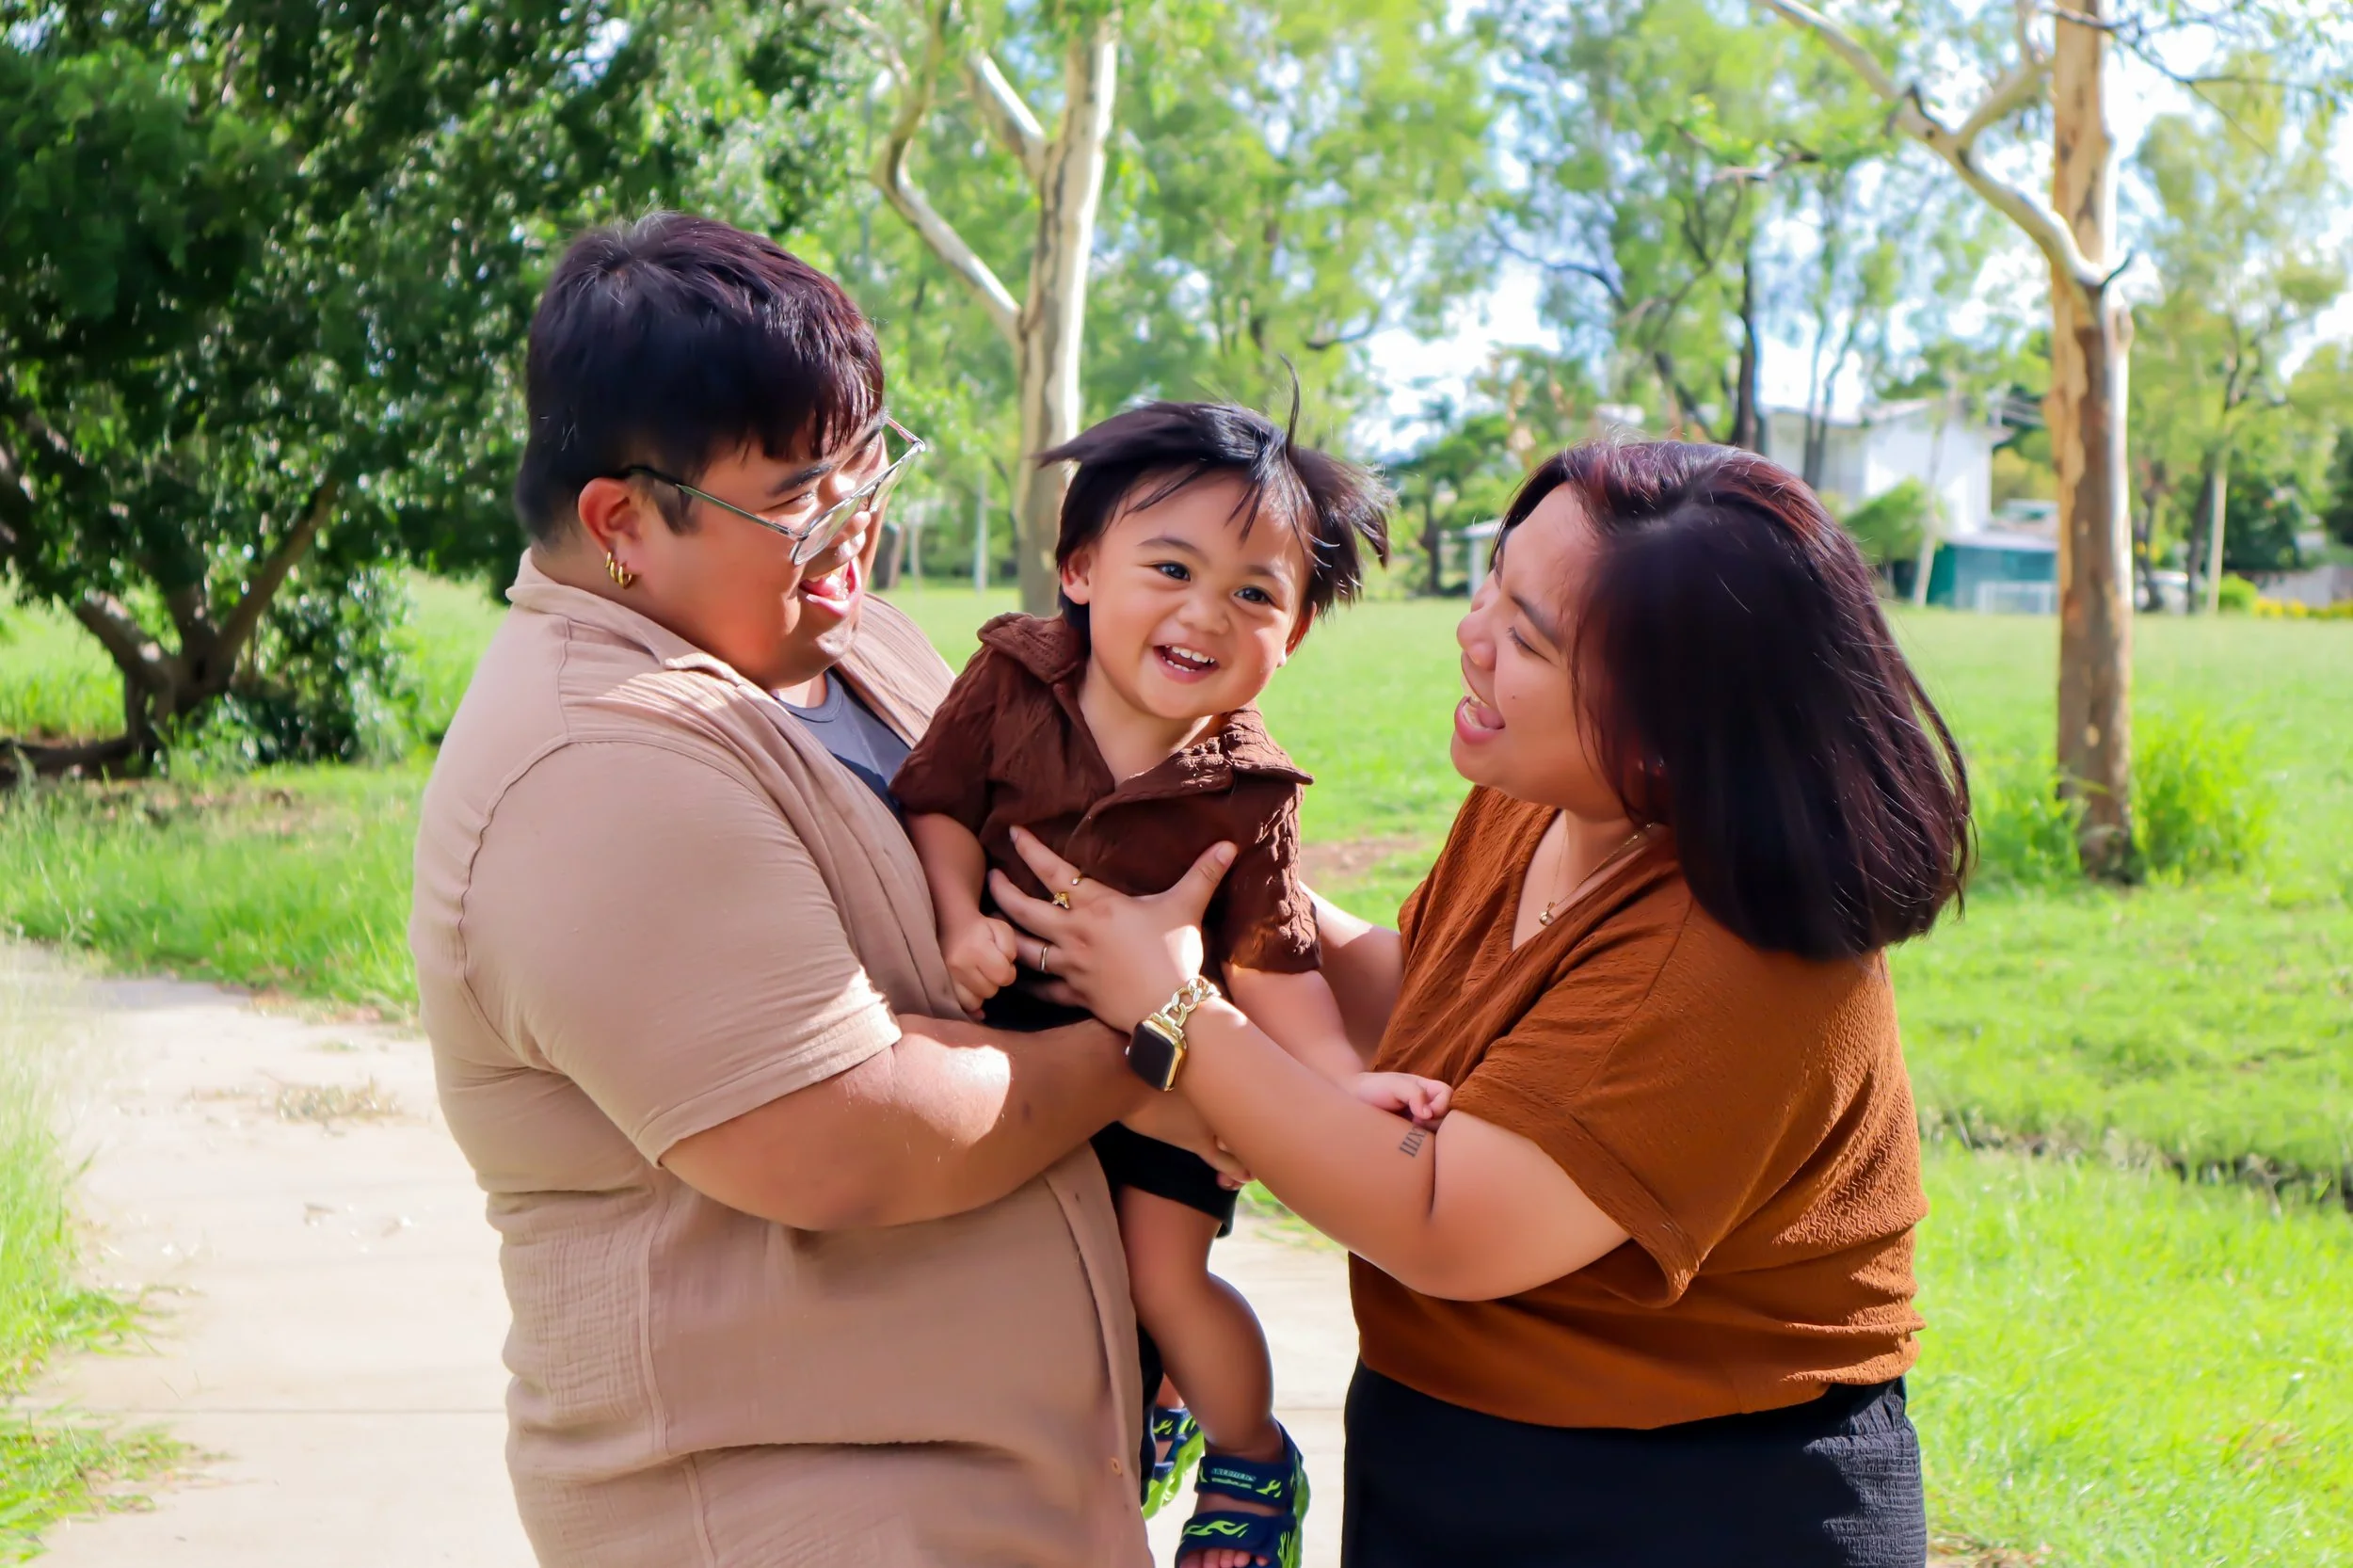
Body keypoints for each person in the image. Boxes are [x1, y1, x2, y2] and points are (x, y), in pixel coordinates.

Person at [993, 440, 1969, 1568]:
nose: (1470, 636)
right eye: (1491, 585)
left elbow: (1441, 1222)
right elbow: (1449, 1012)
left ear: (1666, 733)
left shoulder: (1733, 955)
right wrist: (1193, 885)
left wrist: (1173, 1009)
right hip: (1448, 1446)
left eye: (1525, 637)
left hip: (1685, 1503)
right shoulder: (1551, 799)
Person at [408, 212, 1206, 1567]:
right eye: (799, 499)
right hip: (798, 1510)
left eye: (867, 467)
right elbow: (856, 1130)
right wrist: (1163, 1046)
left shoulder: (838, 638)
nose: (859, 527)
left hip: (993, 1492)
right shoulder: (594, 762)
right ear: (620, 523)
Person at [895, 400, 1444, 1568]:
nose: (1206, 611)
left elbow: (1274, 958)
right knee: (1027, 1279)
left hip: (1166, 1065)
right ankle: (1141, 1416)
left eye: (1256, 592)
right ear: (1082, 567)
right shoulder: (1007, 680)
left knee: (1162, 1277)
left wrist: (1340, 1080)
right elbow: (937, 804)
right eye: (1171, 568)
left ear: (1289, 636)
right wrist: (957, 921)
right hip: (1014, 1045)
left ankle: (1248, 1454)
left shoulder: (1248, 791)